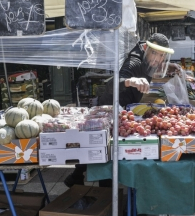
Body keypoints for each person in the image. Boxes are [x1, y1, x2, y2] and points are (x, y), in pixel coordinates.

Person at [65, 33, 174, 187]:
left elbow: (154, 64)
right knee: (107, 151)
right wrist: (130, 81)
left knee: (104, 148)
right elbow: (113, 83)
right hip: (111, 107)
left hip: (124, 106)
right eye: (154, 53)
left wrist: (171, 66)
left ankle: (76, 177)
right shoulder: (134, 62)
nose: (157, 59)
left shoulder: (147, 58)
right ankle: (106, 194)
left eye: (162, 55)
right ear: (145, 48)